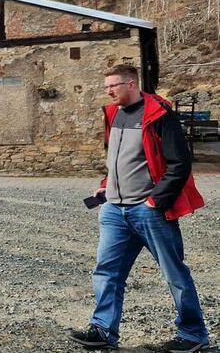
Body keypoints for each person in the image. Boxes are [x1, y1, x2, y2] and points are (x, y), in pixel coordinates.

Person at [69, 64, 208, 352]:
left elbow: (179, 164)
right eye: (106, 86)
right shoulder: (113, 113)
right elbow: (120, 158)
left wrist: (155, 202)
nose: (109, 91)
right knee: (106, 272)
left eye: (114, 85)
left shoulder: (158, 113)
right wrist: (107, 184)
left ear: (131, 84)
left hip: (148, 211)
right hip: (114, 211)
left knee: (174, 274)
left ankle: (194, 335)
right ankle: (104, 330)